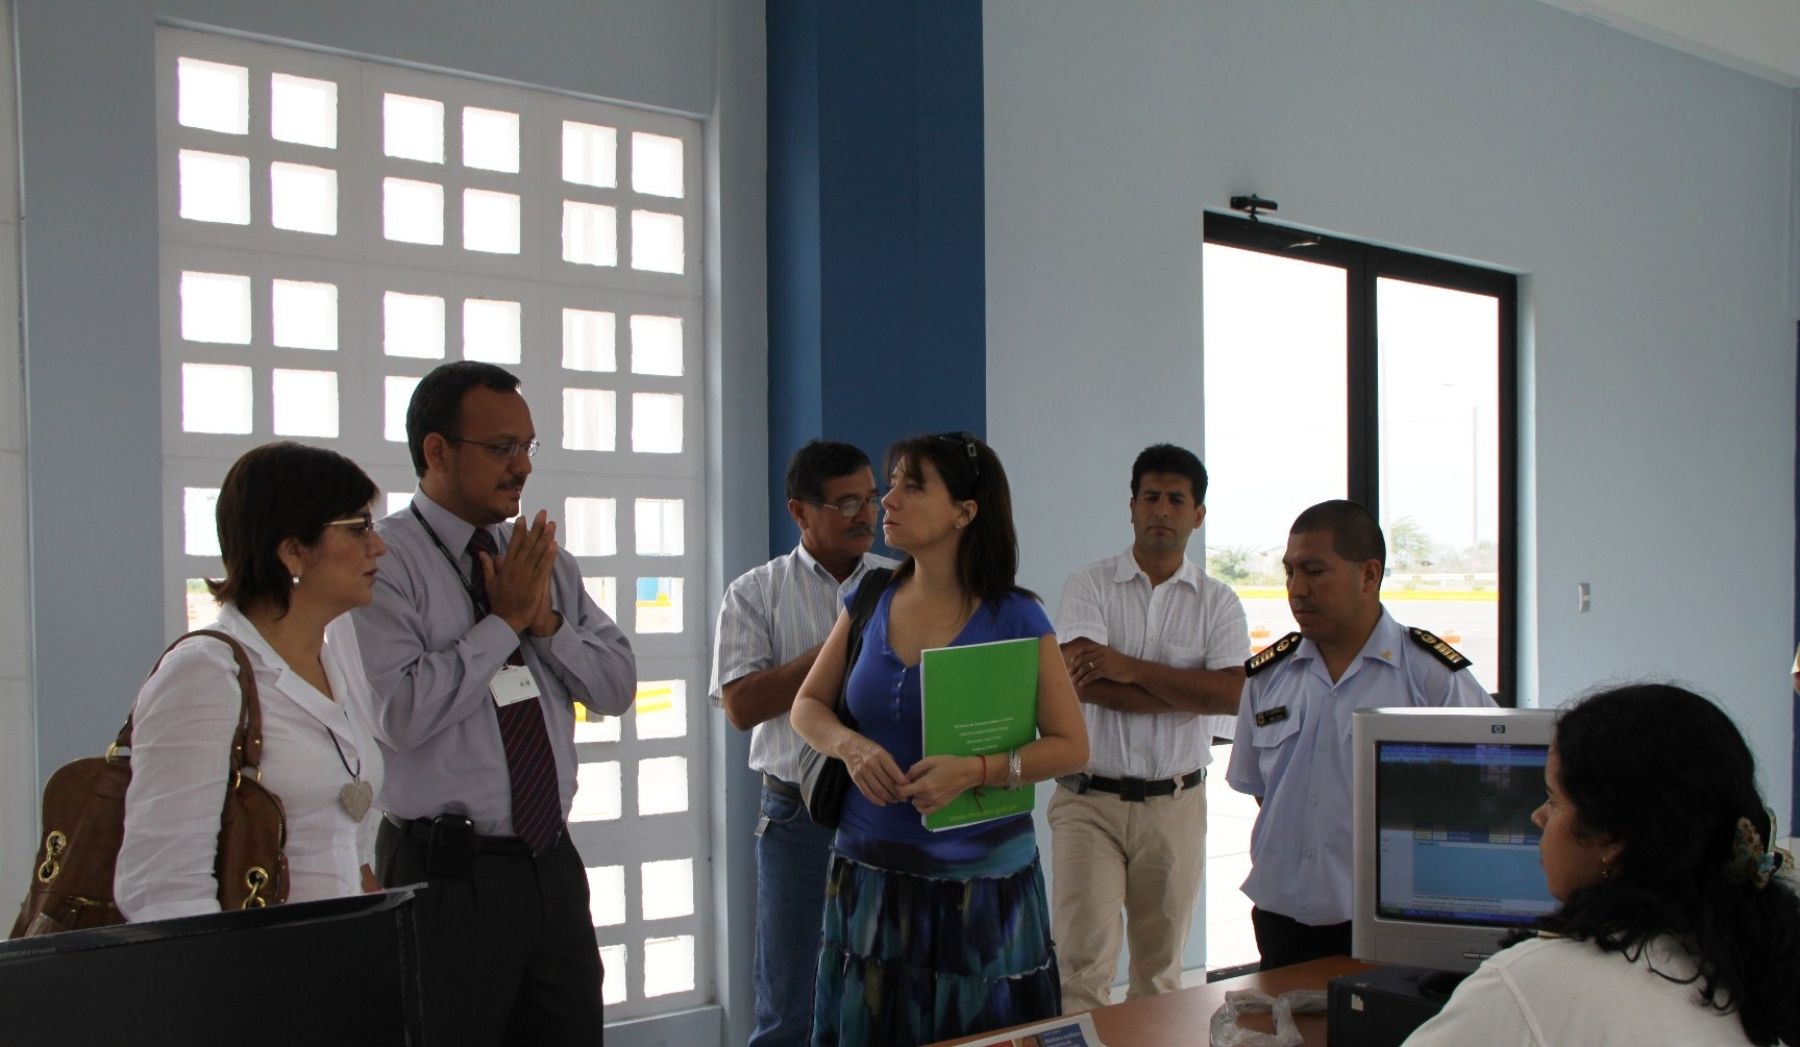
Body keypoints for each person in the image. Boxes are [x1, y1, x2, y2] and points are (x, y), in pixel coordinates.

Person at [350, 361, 637, 1046]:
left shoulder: (540, 559)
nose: (521, 467)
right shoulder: (381, 562)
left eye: (528, 447)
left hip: (548, 866)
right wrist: (501, 624)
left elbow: (617, 686)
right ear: (437, 451)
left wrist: (546, 626)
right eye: (502, 448)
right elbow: (401, 712)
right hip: (443, 875)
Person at [791, 432, 1089, 1046]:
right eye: (891, 482)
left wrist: (976, 770)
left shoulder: (1017, 617)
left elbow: (1070, 746)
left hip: (981, 893)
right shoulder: (869, 597)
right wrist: (850, 746)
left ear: (965, 510)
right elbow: (808, 707)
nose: (887, 499)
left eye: (910, 485)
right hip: (870, 880)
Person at [1403, 683, 1800, 1046]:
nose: (1538, 816)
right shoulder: (1746, 964)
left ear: (1610, 839)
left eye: (1554, 800)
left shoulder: (1533, 982)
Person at [117, 441, 387, 920]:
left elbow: (343, 844)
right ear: (292, 551)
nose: (378, 544)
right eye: (358, 527)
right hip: (257, 978)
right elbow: (165, 891)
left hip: (342, 969)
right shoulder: (205, 673)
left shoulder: (331, 663)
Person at [1226, 499, 1493, 970]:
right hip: (1281, 918)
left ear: (1369, 576)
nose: (1297, 590)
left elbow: (1483, 790)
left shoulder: (1429, 677)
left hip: (1390, 922)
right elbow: (1263, 793)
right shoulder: (1268, 677)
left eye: (1314, 571)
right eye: (1289, 572)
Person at [710, 439, 897, 1047]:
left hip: (887, 805)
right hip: (796, 816)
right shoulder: (753, 592)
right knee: (791, 999)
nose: (865, 515)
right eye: (846, 503)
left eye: (871, 499)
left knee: (886, 990)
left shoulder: (903, 585)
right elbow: (740, 707)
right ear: (800, 511)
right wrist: (838, 648)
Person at [1050, 444, 1249, 1012]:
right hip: (1089, 803)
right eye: (1151, 497)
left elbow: (1231, 694)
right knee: (1081, 970)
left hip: (1176, 807)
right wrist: (1187, 688)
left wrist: (1131, 668)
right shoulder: (1089, 585)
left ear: (1198, 515)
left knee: (1161, 974)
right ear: (1132, 507)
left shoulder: (1219, 603)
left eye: (1176, 500)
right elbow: (1083, 680)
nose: (1162, 509)